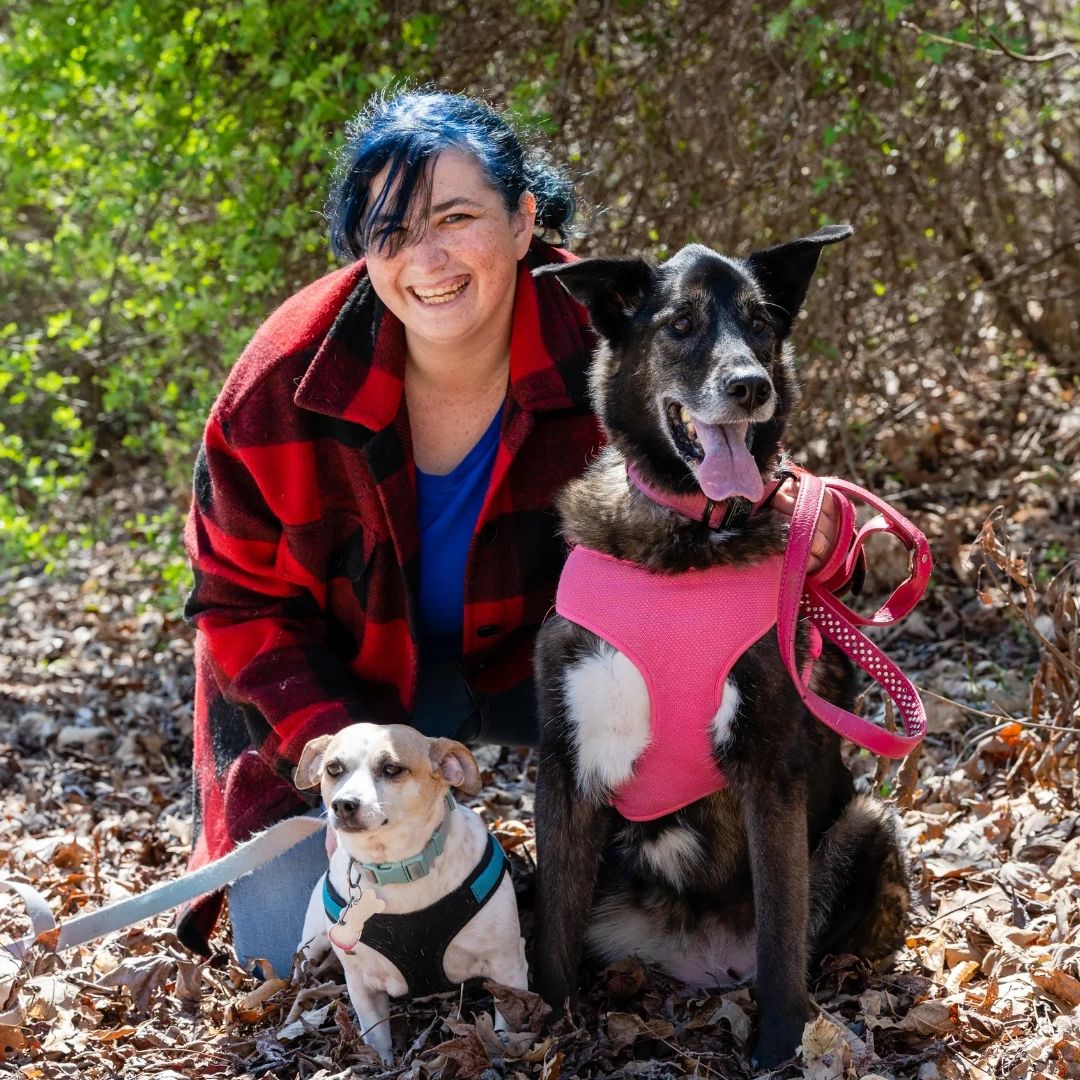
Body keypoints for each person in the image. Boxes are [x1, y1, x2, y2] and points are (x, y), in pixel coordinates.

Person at [175, 88, 842, 977]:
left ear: (525, 219)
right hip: (345, 686)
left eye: (457, 218)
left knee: (645, 867)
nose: (429, 258)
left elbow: (719, 439)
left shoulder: (607, 332)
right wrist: (349, 758)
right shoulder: (282, 382)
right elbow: (234, 603)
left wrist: (799, 511)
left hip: (537, 666)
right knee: (293, 956)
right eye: (392, 231)